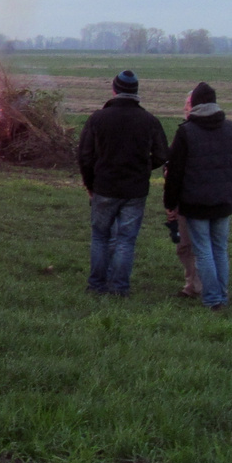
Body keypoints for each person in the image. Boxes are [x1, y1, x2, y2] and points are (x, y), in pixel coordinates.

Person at [75, 70, 169, 296]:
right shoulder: (149, 120)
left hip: (104, 187)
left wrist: (91, 183)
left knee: (100, 237)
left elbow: (84, 156)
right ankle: (119, 288)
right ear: (136, 92)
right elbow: (162, 154)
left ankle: (96, 286)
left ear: (114, 90)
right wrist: (144, 168)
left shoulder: (98, 118)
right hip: (135, 190)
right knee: (126, 240)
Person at [163, 82, 232, 310]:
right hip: (224, 201)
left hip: (195, 203)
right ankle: (221, 294)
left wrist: (170, 204)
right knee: (220, 249)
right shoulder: (231, 128)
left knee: (203, 252)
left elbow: (175, 173)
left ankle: (212, 299)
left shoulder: (186, 131)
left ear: (196, 105)